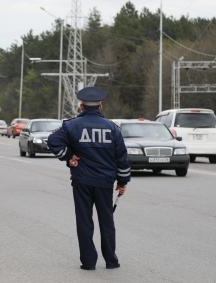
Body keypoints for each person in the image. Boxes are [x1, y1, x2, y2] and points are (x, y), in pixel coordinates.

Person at [48, 87, 131, 271]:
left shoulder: (71, 125)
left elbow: (53, 141)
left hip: (82, 181)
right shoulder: (112, 128)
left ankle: (88, 262)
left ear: (81, 105)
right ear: (101, 105)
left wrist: (69, 157)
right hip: (105, 182)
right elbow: (121, 157)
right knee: (107, 221)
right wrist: (123, 181)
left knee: (84, 221)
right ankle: (111, 260)